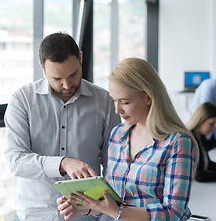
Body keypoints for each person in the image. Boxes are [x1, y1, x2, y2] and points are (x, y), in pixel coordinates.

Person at [57, 58, 199, 221]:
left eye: (125, 102)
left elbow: (175, 212)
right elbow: (111, 200)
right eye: (114, 101)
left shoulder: (177, 143)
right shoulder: (118, 134)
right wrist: (84, 207)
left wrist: (117, 212)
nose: (117, 110)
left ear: (148, 98)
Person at [4, 32, 121, 221]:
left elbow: (114, 166)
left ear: (80, 58)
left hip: (87, 217)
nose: (67, 85)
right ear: (42, 67)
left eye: (73, 74)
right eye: (57, 78)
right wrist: (62, 163)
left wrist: (103, 211)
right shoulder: (22, 100)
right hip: (34, 215)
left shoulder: (105, 102)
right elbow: (16, 161)